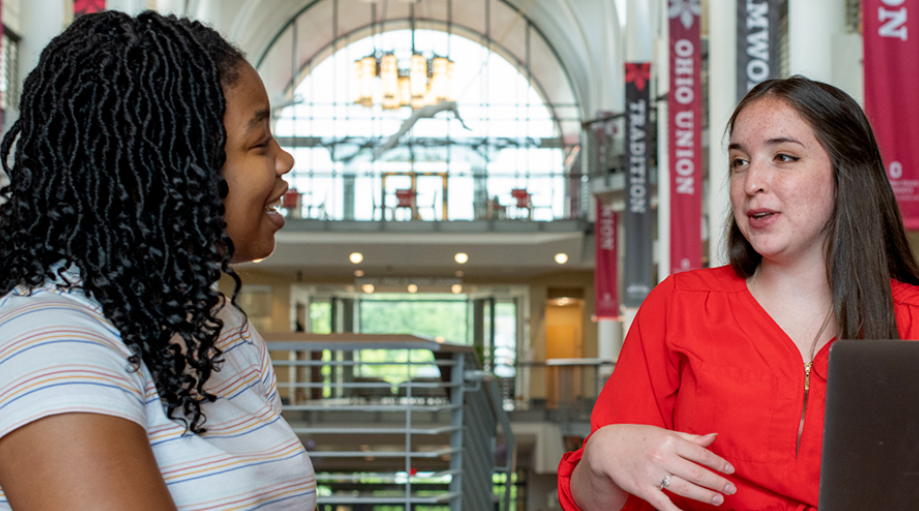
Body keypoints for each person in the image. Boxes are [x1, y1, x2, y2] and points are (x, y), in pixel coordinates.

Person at [0, 11, 316, 511]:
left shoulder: (220, 328)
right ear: (173, 171)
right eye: (259, 143)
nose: (284, 161)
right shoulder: (50, 339)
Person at [559, 76, 919, 511]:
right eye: (739, 162)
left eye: (784, 157)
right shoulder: (680, 308)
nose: (752, 183)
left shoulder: (911, 320)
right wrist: (601, 457)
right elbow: (592, 501)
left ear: (847, 174)